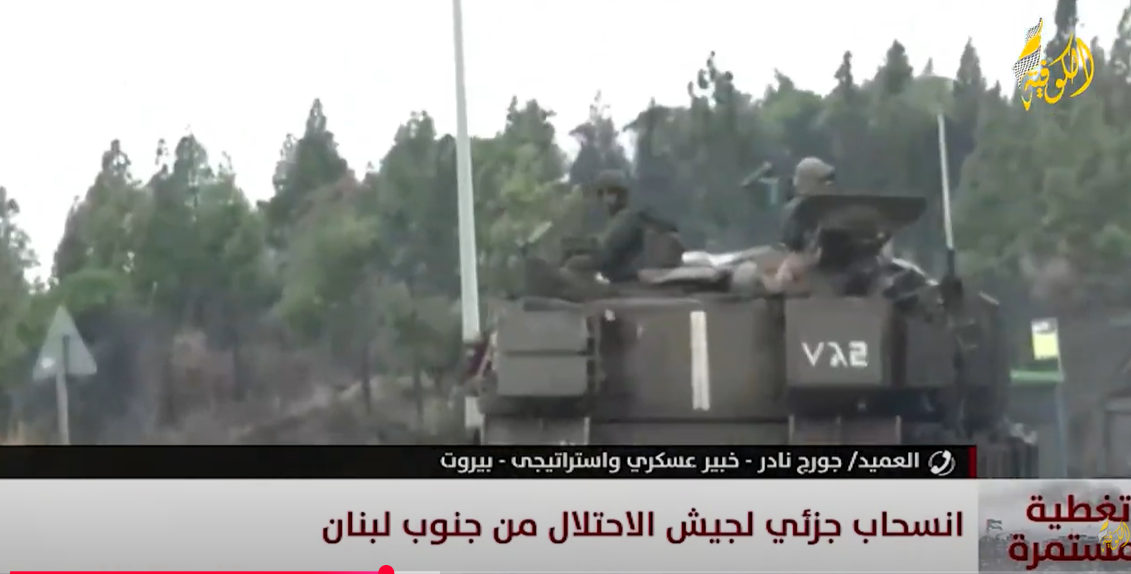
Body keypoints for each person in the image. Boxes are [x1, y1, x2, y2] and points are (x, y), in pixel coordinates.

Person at [769, 157, 837, 292]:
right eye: (823, 181)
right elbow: (794, 247)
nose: (829, 185)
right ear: (811, 182)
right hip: (806, 267)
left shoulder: (830, 207)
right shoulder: (798, 208)